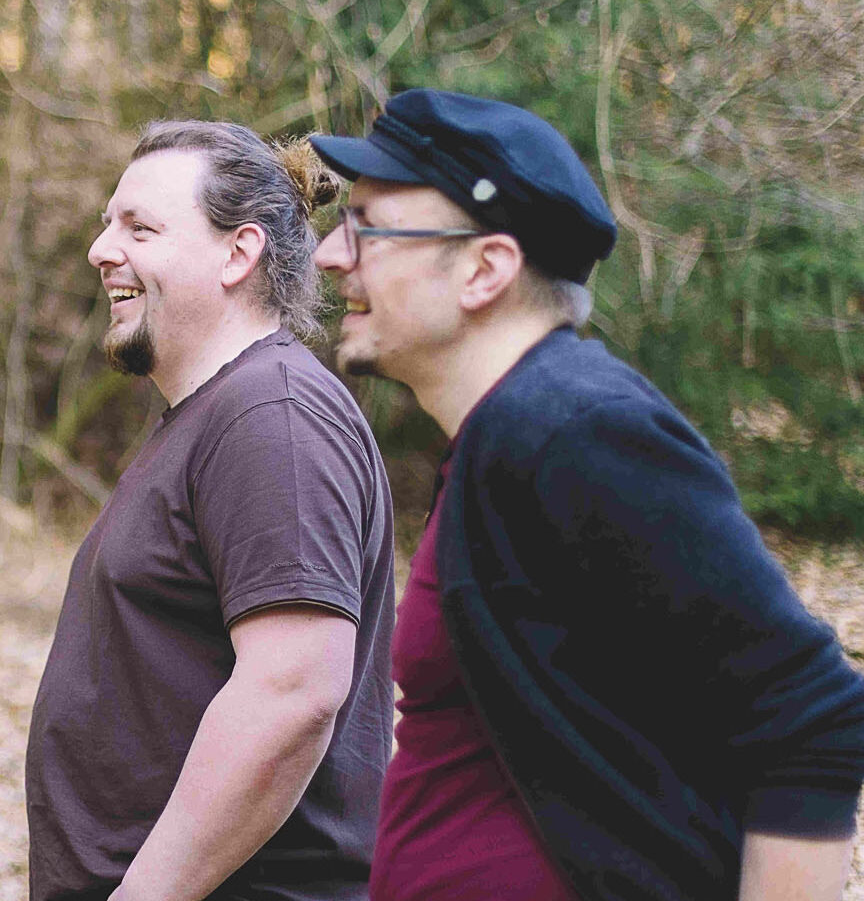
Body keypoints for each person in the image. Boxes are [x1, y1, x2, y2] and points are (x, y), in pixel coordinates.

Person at [308, 88, 864, 901]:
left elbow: (811, 719)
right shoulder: (502, 441)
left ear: (485, 269)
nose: (329, 254)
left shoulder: (577, 431)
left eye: (367, 225)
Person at [26, 121, 396, 901]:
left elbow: (292, 694)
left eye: (140, 228)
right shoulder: (219, 412)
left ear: (239, 253)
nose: (101, 250)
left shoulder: (273, 419)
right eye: (106, 223)